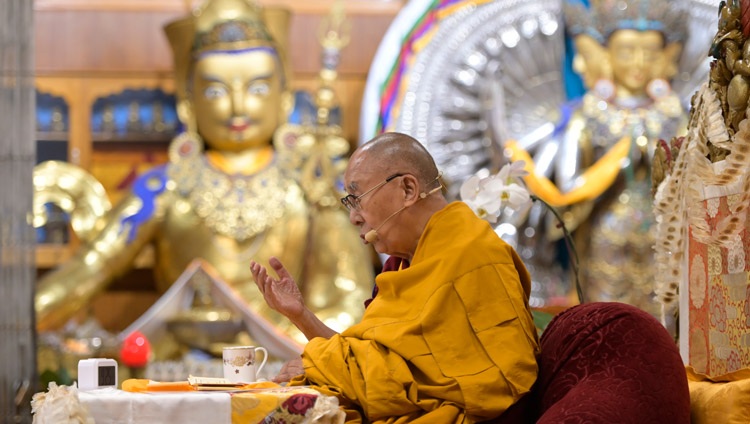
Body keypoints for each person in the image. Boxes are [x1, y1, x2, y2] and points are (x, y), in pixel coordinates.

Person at [34, 0, 373, 347]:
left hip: (281, 365)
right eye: (215, 90)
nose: (238, 105)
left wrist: (277, 345)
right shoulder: (162, 189)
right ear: (187, 101)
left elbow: (349, 300)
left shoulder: (313, 186)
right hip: (179, 372)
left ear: (284, 97)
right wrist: (20, 319)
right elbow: (87, 271)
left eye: (257, 88)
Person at [250, 132, 539, 422]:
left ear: (408, 190)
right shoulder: (405, 267)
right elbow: (384, 366)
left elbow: (494, 384)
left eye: (357, 198)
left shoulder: (473, 255)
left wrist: (319, 367)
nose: (354, 218)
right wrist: (301, 316)